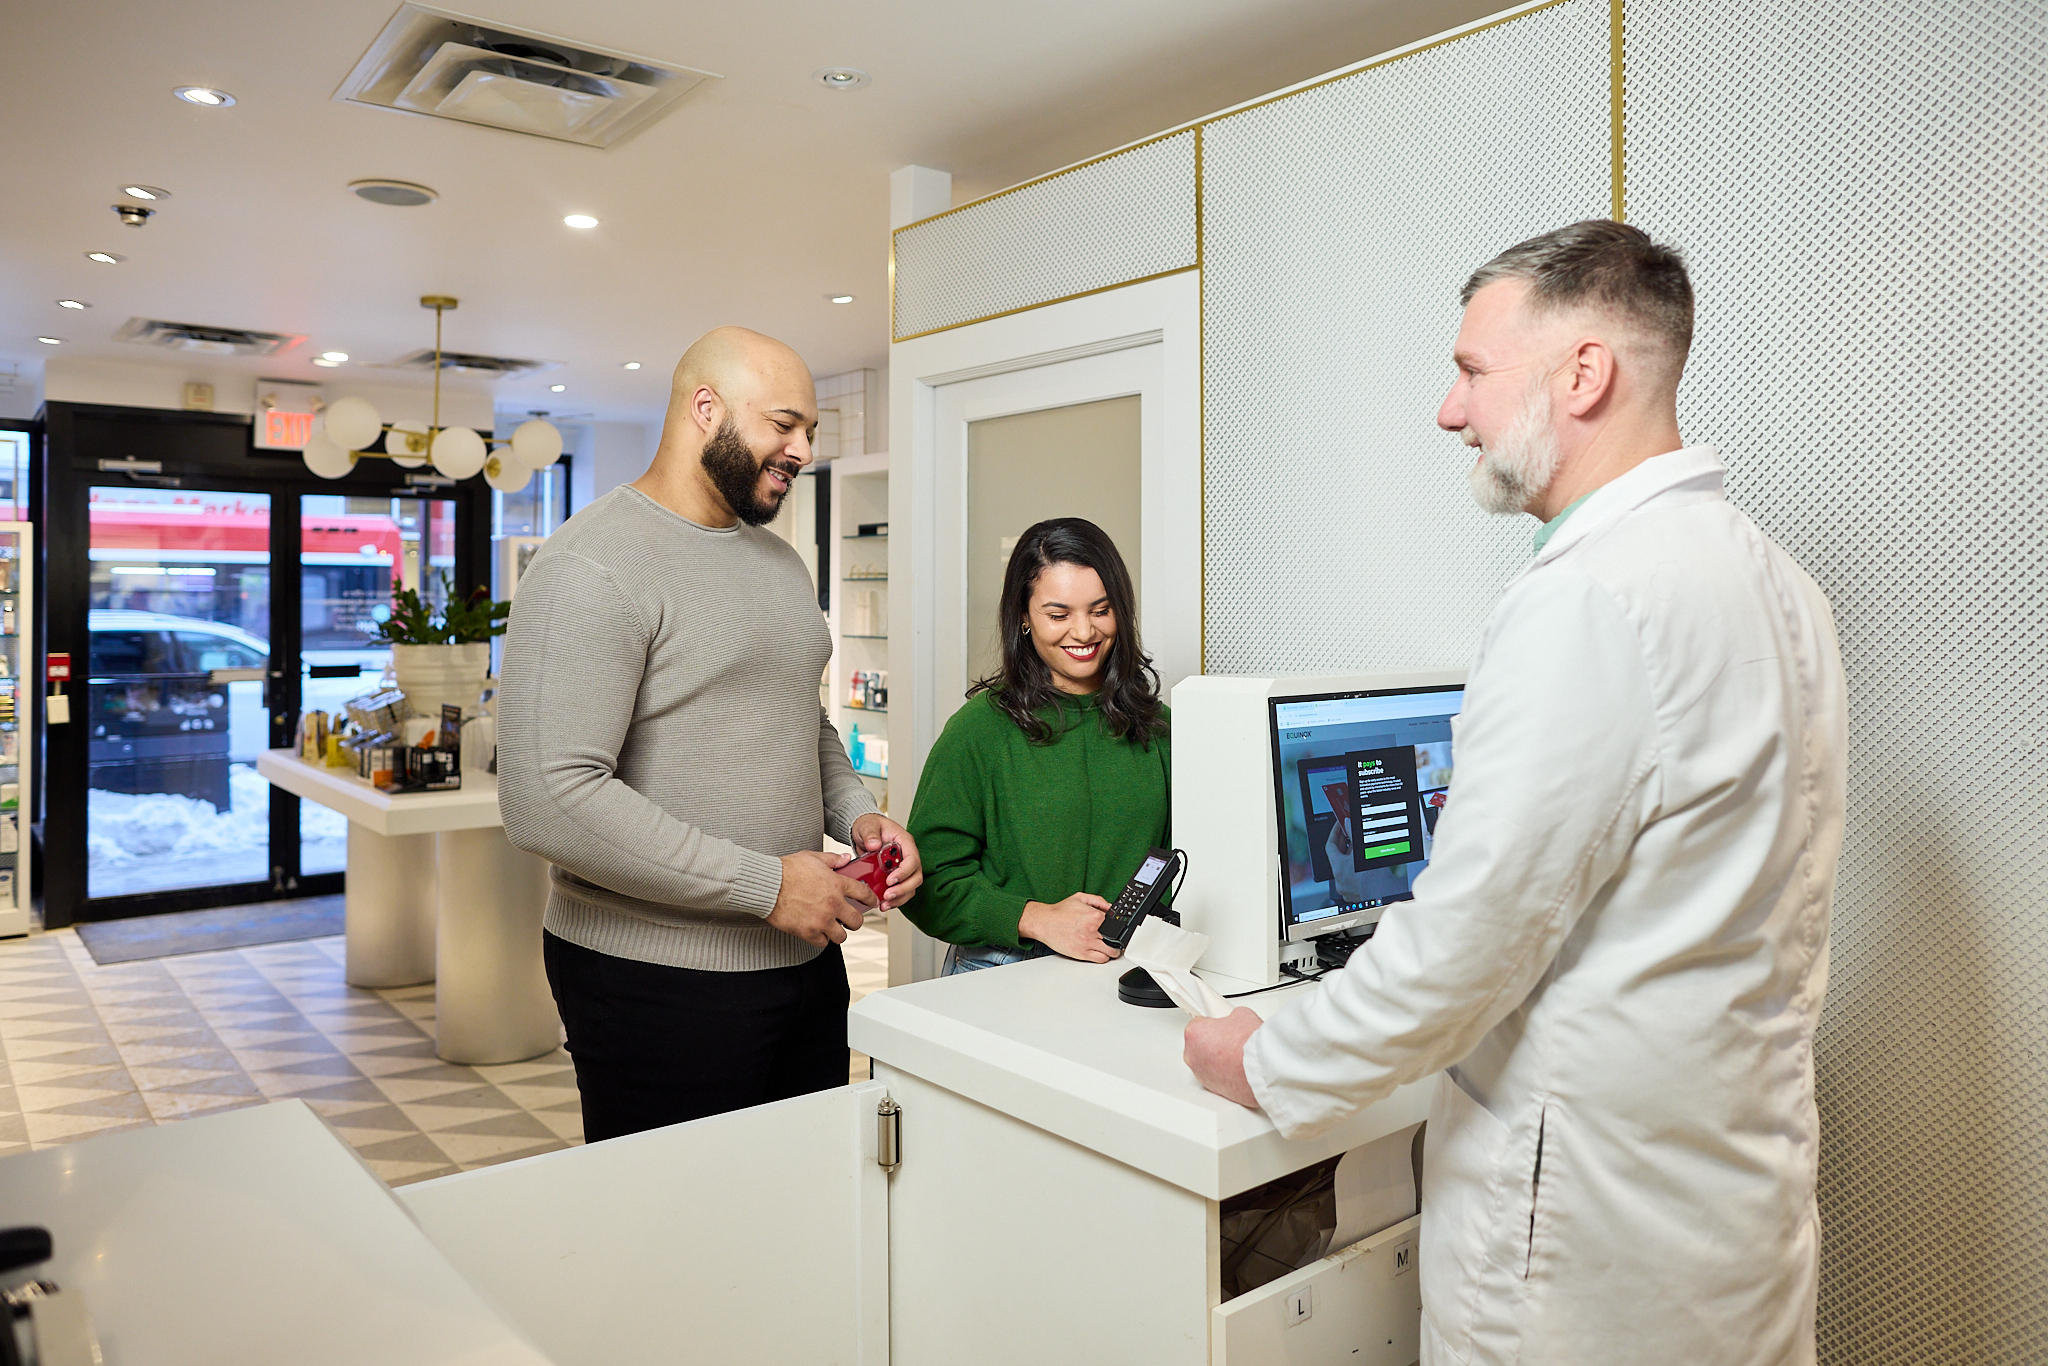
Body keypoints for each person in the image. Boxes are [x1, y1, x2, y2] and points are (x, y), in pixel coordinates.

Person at [1184, 221, 1847, 1366]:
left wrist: (1260, 1059)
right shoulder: (1777, 584)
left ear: (1582, 373)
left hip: (1586, 1252)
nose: (1450, 410)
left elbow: (1462, 947)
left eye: (1471, 370)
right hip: (1728, 1217)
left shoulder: (1590, 597)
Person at [497, 326, 924, 1142]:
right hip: (652, 984)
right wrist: (766, 886)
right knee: (680, 1241)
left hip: (805, 965)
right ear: (706, 409)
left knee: (795, 1213)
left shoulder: (779, 561)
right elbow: (548, 800)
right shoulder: (590, 566)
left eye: (811, 434)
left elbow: (800, 715)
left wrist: (857, 814)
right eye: (785, 425)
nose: (801, 450)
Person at [902, 518, 1169, 974]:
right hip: (1002, 967)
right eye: (1059, 615)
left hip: (1128, 969)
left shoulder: (1159, 728)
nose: (1084, 633)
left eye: (1101, 611)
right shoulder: (979, 731)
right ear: (1023, 618)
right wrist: (1037, 918)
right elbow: (927, 884)